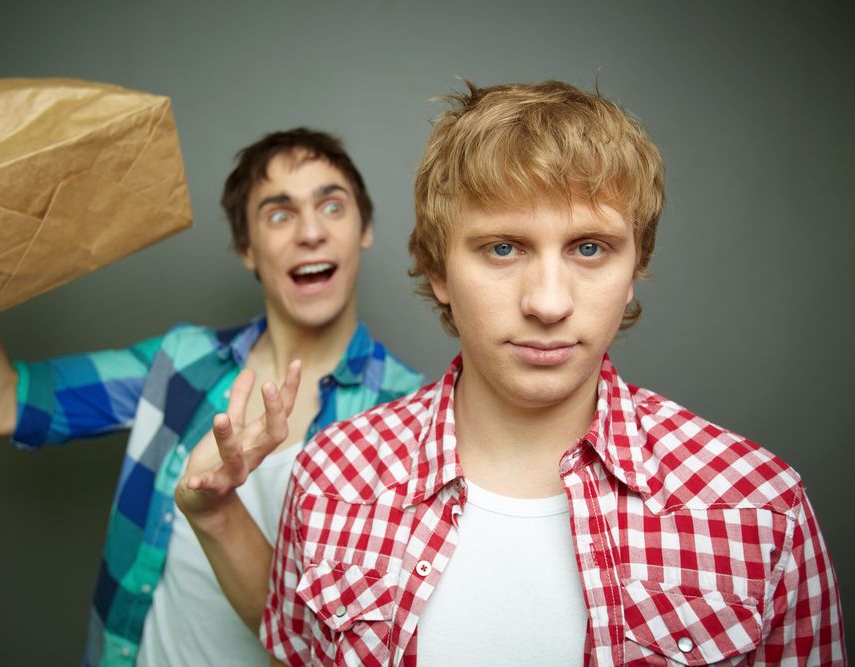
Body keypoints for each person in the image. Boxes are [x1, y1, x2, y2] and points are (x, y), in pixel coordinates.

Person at [262, 81, 846, 666]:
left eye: (589, 248)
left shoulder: (760, 510)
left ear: (634, 268)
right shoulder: (329, 479)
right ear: (438, 269)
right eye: (503, 249)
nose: (547, 303)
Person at [0, 108, 423, 667]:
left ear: (363, 229)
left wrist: (217, 512)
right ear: (247, 249)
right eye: (278, 214)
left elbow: (335, 645)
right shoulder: (181, 363)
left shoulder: (406, 418)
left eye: (332, 206)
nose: (311, 231)